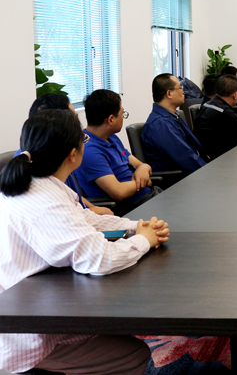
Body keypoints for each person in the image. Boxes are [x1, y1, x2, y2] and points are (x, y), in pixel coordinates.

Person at [0, 109, 169, 374]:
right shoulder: (45, 202)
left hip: (42, 301)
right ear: (73, 154)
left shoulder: (38, 182)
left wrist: (136, 227)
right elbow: (101, 259)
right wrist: (143, 241)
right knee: (134, 354)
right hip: (28, 333)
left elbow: (84, 218)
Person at [18, 94, 113, 215]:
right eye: (73, 119)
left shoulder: (57, 157)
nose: (78, 126)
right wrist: (93, 212)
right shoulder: (39, 167)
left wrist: (93, 209)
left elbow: (73, 196)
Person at [74, 89, 155, 216]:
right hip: (132, 208)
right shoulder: (90, 151)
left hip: (147, 197)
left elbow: (139, 164)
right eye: (122, 114)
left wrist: (143, 169)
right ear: (111, 119)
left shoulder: (110, 137)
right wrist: (145, 182)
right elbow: (118, 192)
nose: (123, 117)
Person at [142, 73, 209, 174]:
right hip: (178, 179)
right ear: (169, 94)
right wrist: (209, 172)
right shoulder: (160, 124)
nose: (183, 92)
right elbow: (185, 158)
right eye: (180, 88)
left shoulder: (172, 116)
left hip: (191, 173)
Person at [193, 75, 237, 160]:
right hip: (219, 158)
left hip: (205, 153)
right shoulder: (224, 111)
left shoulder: (207, 104)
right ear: (235, 95)